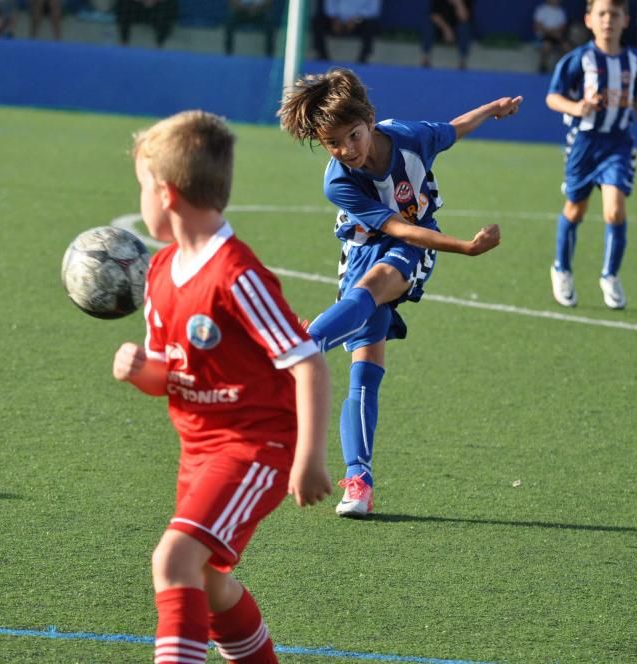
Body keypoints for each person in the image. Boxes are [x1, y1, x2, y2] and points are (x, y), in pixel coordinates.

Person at [114, 110, 332, 662]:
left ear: (164, 194)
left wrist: (308, 459)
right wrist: (141, 371)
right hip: (200, 451)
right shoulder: (161, 271)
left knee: (172, 561)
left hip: (257, 447)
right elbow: (171, 376)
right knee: (208, 583)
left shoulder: (237, 275)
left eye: (141, 185)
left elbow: (308, 363)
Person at [278, 67, 520, 517]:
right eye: (334, 143)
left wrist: (492, 109)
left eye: (353, 135)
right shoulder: (338, 181)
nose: (347, 150)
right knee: (364, 370)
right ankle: (360, 480)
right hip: (361, 247)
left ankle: (298, 350)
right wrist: (467, 248)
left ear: (370, 119)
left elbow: (454, 131)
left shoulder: (409, 137)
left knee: (372, 289)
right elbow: (386, 224)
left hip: (415, 241)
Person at [546, 0, 637, 310]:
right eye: (602, 14)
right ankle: (562, 269)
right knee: (576, 210)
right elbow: (553, 97)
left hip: (618, 144)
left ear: (626, 20)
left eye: (615, 14)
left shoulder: (635, 60)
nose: (608, 20)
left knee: (615, 211)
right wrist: (577, 107)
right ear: (589, 20)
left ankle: (610, 275)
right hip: (584, 143)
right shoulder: (579, 59)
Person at [311, 0, 382, 64]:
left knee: (370, 25)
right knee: (317, 21)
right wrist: (334, 19)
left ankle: (363, 58)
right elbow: (330, 4)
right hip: (336, 21)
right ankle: (322, 55)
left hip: (359, 22)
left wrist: (355, 19)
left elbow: (373, 11)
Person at [420, 0, 474, 69]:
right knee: (428, 26)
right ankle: (425, 58)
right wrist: (446, 30)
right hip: (441, 27)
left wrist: (459, 4)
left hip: (457, 29)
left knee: (465, 28)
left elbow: (464, 18)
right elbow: (434, 15)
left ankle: (462, 61)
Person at [534, 0, 570, 73]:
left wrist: (556, 33)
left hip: (557, 36)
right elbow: (537, 25)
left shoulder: (560, 12)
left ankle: (565, 67)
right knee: (546, 46)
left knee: (567, 47)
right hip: (545, 36)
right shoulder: (541, 10)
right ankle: (542, 65)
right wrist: (550, 32)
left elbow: (562, 27)